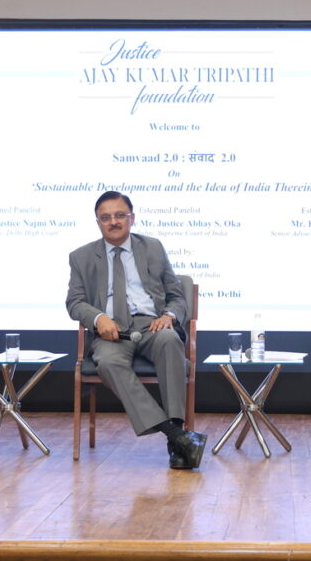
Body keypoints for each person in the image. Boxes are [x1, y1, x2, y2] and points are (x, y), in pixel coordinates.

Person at [66, 191, 207, 469]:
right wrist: (98, 318)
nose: (113, 222)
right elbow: (75, 302)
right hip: (110, 331)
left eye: (120, 215)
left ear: (132, 218)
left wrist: (168, 315)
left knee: (170, 341)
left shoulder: (152, 247)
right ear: (98, 222)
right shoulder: (81, 257)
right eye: (106, 217)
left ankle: (176, 435)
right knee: (107, 362)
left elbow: (176, 296)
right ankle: (176, 437)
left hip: (152, 325)